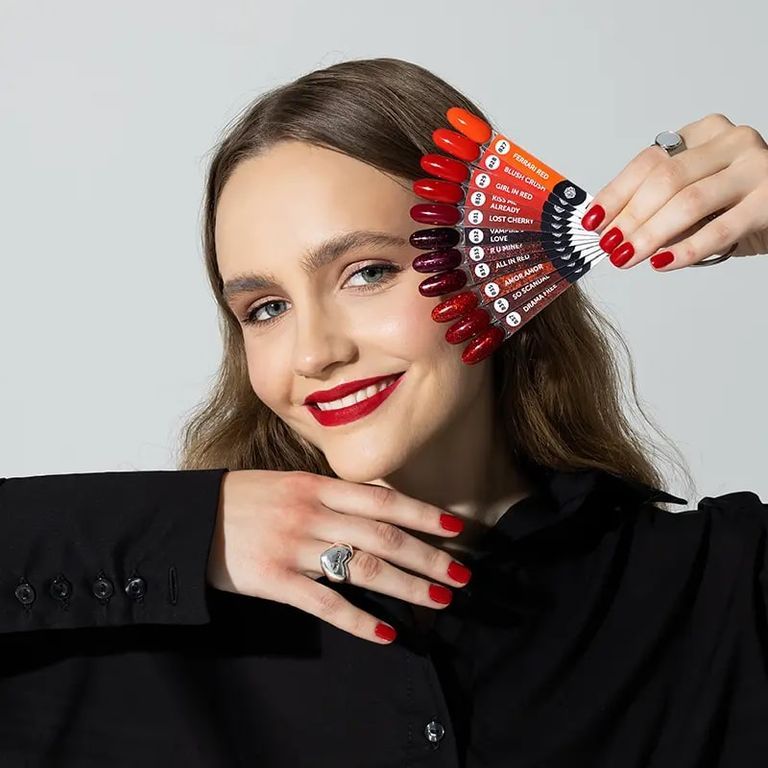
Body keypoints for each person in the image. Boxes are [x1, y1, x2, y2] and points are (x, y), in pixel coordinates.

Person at [1, 57, 767, 767]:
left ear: (495, 266)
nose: (314, 352)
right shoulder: (131, 640)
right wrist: (199, 530)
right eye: (265, 308)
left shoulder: (716, 592)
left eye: (367, 272)